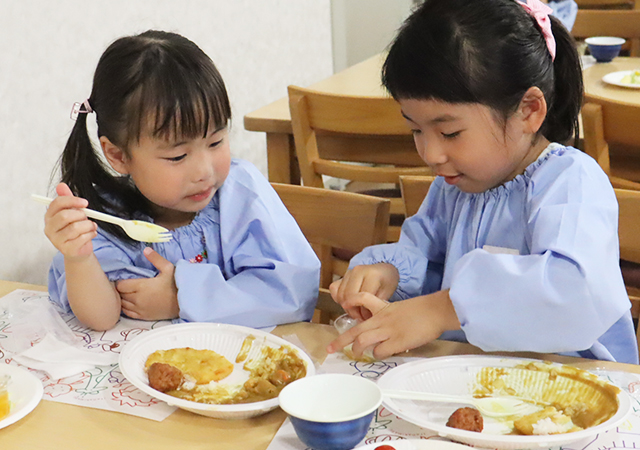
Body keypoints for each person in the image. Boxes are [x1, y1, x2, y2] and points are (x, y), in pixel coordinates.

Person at [327, 0, 638, 364]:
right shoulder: (455, 185)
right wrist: (389, 271)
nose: (430, 154)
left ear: (528, 111)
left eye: (450, 132)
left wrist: (444, 308)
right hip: (474, 378)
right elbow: (423, 254)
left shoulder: (570, 183)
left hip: (571, 385)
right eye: (416, 129)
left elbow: (573, 290)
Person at [44, 30, 320, 331]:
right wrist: (79, 258)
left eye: (215, 142)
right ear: (119, 156)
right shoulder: (108, 218)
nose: (204, 171)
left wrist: (183, 297)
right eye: (177, 157)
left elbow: (292, 293)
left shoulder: (240, 195)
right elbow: (103, 317)